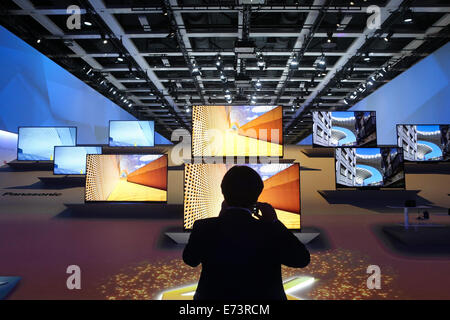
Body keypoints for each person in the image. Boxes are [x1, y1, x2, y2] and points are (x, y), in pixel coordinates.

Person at [183, 165, 310, 300]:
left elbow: (191, 260)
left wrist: (221, 218)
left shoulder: (204, 227)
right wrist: (275, 223)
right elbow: (301, 259)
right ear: (256, 196)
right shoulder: (270, 231)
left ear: (223, 191)